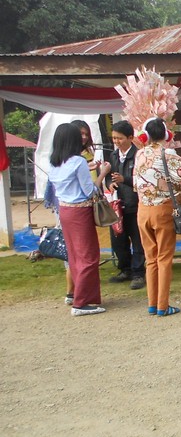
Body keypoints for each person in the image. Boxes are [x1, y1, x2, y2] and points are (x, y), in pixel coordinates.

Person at [48, 123, 111, 316]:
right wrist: (102, 173)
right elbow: (90, 191)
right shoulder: (78, 161)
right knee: (89, 256)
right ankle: (82, 302)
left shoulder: (55, 162)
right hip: (80, 212)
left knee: (75, 256)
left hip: (65, 210)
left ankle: (81, 296)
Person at [133, 117, 181, 316]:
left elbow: (135, 183)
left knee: (150, 258)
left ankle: (152, 303)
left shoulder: (139, 154)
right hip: (162, 209)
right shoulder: (169, 155)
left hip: (143, 210)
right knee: (164, 258)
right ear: (167, 134)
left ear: (145, 135)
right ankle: (163, 305)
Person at [106, 120, 145, 290]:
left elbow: (142, 180)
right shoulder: (113, 156)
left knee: (137, 240)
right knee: (118, 241)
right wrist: (111, 184)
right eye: (114, 138)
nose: (117, 142)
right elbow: (109, 177)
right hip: (117, 206)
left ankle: (138, 273)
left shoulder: (139, 156)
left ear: (130, 138)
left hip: (134, 205)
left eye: (120, 138)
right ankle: (125, 269)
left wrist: (125, 180)